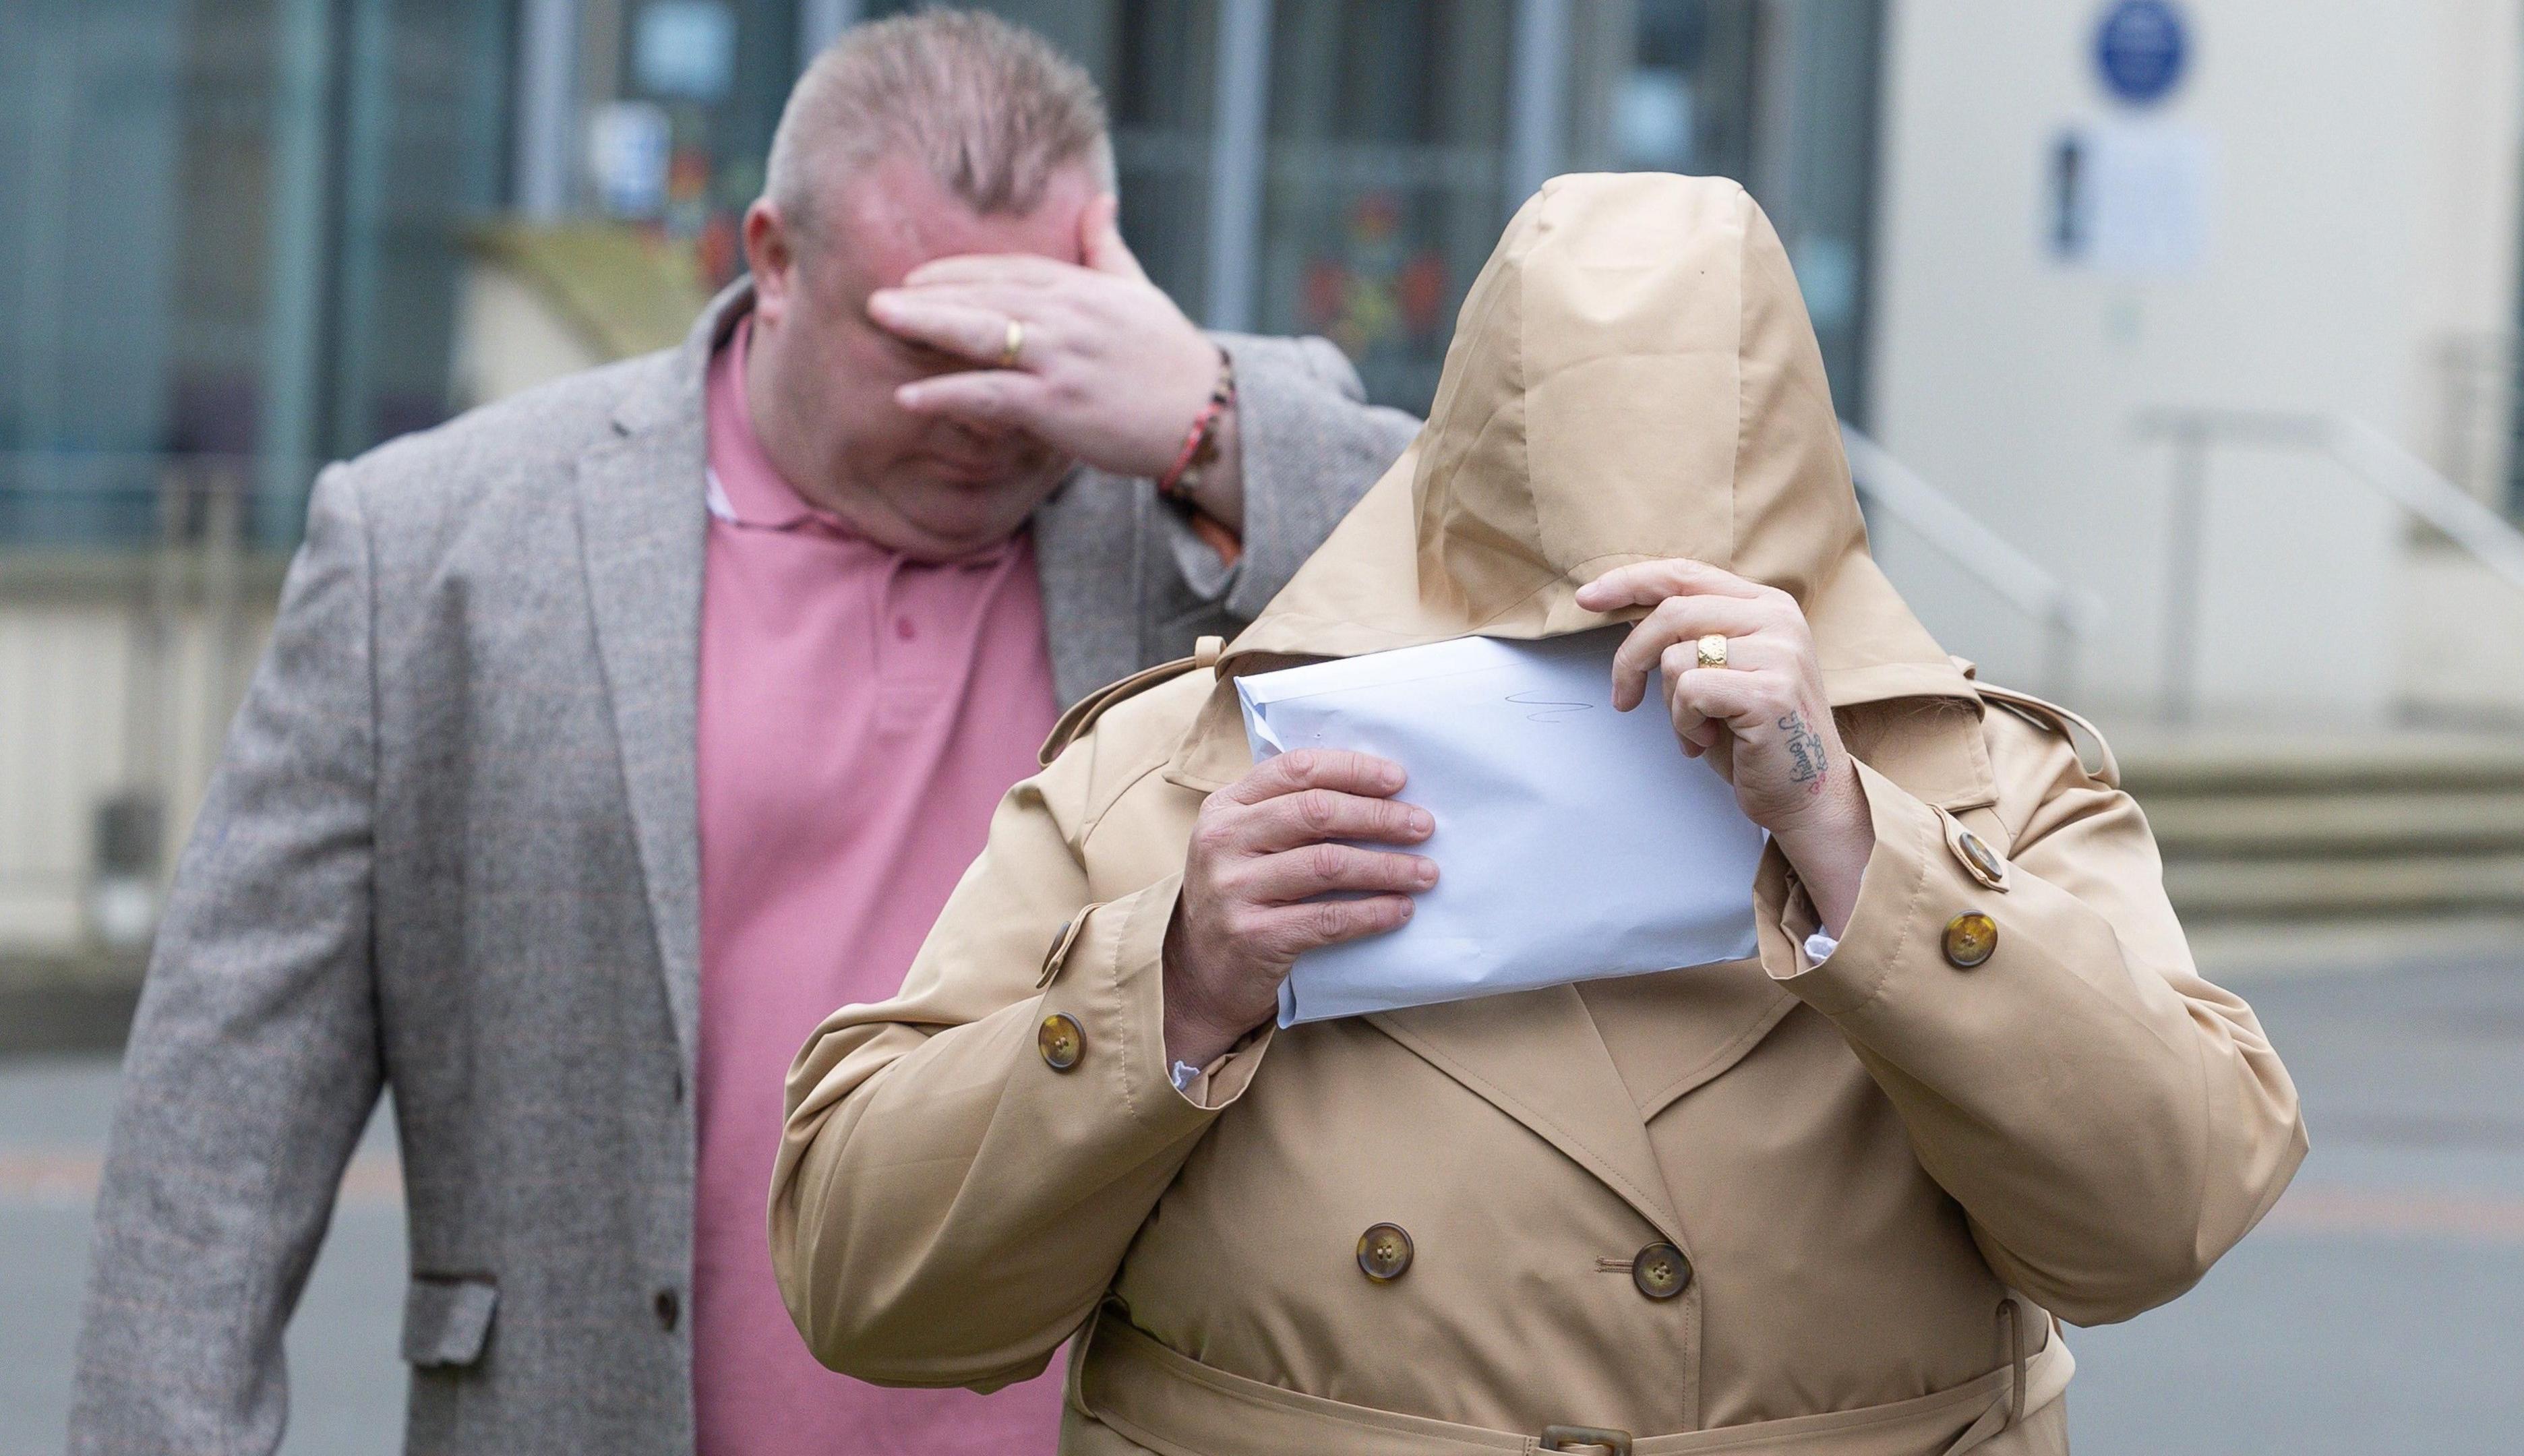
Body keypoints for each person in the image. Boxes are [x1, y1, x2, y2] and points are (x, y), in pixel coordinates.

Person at [771, 173, 2307, 1455]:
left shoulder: (1981, 784)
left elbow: (2154, 1222)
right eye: (1557, 623)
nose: (1620, 685)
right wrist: (1171, 984)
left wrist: (1858, 844)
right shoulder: (1177, 774)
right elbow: (870, 1289)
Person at [71, 11, 1416, 1456]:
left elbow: (1502, 587)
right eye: (924, 340)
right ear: (771, 259)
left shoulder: (1196, 512)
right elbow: (209, 1160)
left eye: (1034, 338)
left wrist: (1210, 418)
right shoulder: (431, 549)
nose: (984, 405)